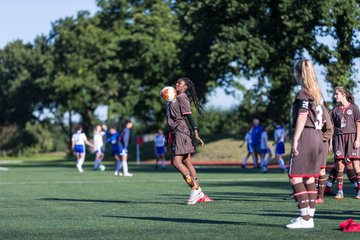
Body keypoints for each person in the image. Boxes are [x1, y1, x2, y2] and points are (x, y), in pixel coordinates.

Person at [286, 59, 323, 229]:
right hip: (317, 136)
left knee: (295, 177)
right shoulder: (317, 93)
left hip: (306, 136)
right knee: (309, 178)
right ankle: (310, 218)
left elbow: (302, 116)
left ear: (299, 73)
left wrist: (295, 139)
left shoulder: (303, 93)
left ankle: (305, 218)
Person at [166, 77, 213, 205]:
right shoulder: (174, 98)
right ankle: (200, 193)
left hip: (181, 132)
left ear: (185, 87)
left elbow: (189, 116)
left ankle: (195, 189)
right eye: (176, 82)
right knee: (186, 161)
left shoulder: (182, 98)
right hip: (177, 133)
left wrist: (196, 133)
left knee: (176, 162)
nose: (177, 84)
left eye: (179, 83)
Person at [329, 86, 360, 199]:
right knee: (339, 166)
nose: (335, 96)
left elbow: (358, 125)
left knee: (356, 166)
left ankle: (359, 192)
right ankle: (340, 191)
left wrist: (358, 139)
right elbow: (331, 128)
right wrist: (330, 143)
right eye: (335, 94)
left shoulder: (354, 108)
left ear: (343, 95)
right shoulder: (334, 110)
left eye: (337, 94)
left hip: (352, 137)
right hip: (338, 139)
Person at [315, 104, 333, 204]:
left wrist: (320, 139)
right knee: (311, 170)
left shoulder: (322, 109)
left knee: (321, 169)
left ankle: (320, 197)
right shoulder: (307, 108)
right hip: (310, 144)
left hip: (321, 144)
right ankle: (311, 194)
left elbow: (330, 129)